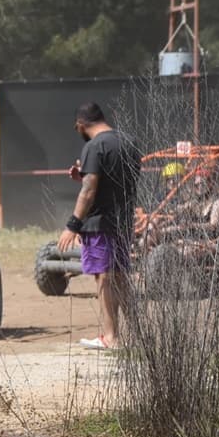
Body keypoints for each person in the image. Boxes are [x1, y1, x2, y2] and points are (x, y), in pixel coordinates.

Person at [57, 102, 142, 350]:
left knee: (104, 277)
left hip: (99, 224)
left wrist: (73, 225)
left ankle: (111, 337)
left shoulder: (94, 146)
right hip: (123, 222)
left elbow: (89, 190)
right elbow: (114, 182)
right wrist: (84, 175)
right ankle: (139, 337)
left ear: (81, 125)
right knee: (121, 277)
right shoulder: (129, 143)